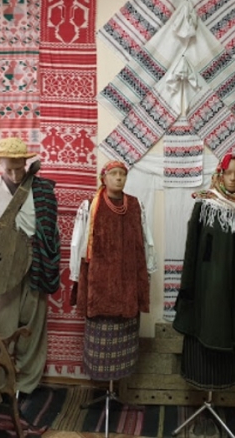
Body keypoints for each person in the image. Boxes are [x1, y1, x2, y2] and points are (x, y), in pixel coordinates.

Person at [0, 137, 60, 406]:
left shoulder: (42, 190)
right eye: (8, 168)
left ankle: (26, 385)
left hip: (36, 262)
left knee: (32, 325)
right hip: (1, 265)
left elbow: (51, 229)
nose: (14, 174)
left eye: (19, 168)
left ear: (25, 163)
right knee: (1, 326)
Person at [173, 153, 235, 390]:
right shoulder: (205, 204)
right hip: (207, 288)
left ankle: (222, 390)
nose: (233, 178)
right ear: (220, 174)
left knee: (233, 332)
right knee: (204, 331)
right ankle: (202, 387)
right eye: (228, 173)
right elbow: (192, 248)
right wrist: (187, 286)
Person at [69, 160, 156, 381]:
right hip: (99, 284)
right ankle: (103, 383)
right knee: (100, 336)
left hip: (128, 283)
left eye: (122, 174)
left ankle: (117, 384)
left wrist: (147, 271)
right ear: (104, 178)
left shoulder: (135, 205)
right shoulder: (90, 206)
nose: (118, 178)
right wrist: (76, 275)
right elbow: (78, 243)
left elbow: (146, 240)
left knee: (125, 335)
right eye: (114, 173)